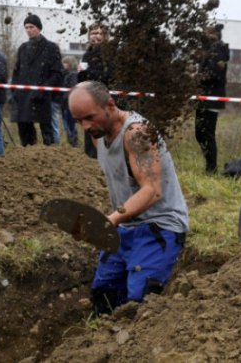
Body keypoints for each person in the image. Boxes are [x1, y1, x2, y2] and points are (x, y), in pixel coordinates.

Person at [68, 81, 189, 315]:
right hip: (126, 227)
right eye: (78, 120)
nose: (85, 126)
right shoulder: (98, 135)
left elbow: (152, 190)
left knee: (138, 302)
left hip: (160, 227)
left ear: (110, 105)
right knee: (104, 295)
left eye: (90, 117)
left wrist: (110, 220)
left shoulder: (137, 134)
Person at [10, 14, 63, 147]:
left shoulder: (51, 48)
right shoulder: (22, 48)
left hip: (43, 95)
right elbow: (16, 71)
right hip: (23, 95)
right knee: (24, 130)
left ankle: (51, 154)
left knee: (47, 130)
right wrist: (14, 89)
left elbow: (57, 73)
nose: (28, 30)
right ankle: (29, 154)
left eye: (31, 27)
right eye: (26, 27)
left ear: (39, 28)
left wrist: (44, 89)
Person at [195, 24, 229, 174]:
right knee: (200, 133)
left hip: (212, 97)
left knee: (206, 133)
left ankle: (211, 168)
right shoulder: (210, 51)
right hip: (205, 97)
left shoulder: (218, 51)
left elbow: (214, 74)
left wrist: (197, 78)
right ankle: (210, 166)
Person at [78, 23, 113, 158]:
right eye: (93, 33)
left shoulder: (110, 54)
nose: (96, 36)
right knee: (90, 130)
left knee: (106, 133)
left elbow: (108, 76)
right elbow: (80, 77)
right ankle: (91, 159)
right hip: (89, 99)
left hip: (106, 100)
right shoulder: (87, 54)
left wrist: (89, 72)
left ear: (105, 36)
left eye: (99, 33)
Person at [51, 55, 79, 147]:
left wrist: (64, 97)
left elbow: (71, 88)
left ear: (70, 64)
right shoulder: (63, 74)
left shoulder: (73, 74)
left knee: (70, 125)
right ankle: (71, 142)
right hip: (63, 103)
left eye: (65, 63)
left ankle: (74, 143)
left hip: (69, 104)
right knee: (66, 125)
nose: (63, 64)